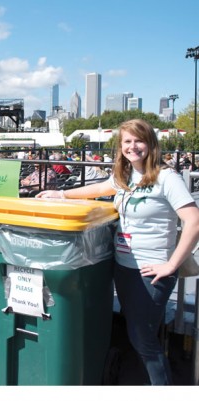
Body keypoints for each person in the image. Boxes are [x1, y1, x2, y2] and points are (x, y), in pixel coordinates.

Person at [37, 119, 199, 385]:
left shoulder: (166, 177)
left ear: (151, 144)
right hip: (123, 266)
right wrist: (62, 195)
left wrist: (171, 265)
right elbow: (100, 189)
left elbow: (194, 220)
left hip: (151, 272)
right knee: (137, 335)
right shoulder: (126, 175)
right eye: (127, 141)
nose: (132, 146)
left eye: (139, 140)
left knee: (143, 340)